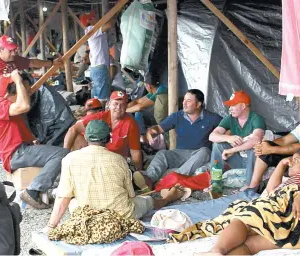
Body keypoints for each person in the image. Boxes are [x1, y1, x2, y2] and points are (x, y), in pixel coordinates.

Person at [42, 120, 185, 233]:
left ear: (85, 136)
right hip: (121, 216)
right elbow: (131, 195)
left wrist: (51, 226)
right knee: (147, 200)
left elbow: (63, 197)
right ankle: (168, 198)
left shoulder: (69, 159)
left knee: (73, 203)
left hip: (88, 216)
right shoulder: (119, 160)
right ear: (109, 139)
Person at [190, 148, 300, 255]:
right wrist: (281, 164)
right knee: (249, 246)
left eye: (296, 160)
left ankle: (215, 251)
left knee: (243, 219)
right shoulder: (294, 179)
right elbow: (271, 190)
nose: (291, 162)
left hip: (295, 214)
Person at [0, 71, 69, 209]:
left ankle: (49, 188)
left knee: (57, 151)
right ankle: (33, 190)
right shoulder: (0, 105)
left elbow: (20, 130)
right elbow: (24, 105)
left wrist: (33, 140)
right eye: (24, 91)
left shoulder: (11, 109)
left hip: (20, 150)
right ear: (11, 91)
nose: (27, 94)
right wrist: (18, 81)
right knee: (61, 154)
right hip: (15, 154)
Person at [240, 96, 300, 192]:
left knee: (269, 153)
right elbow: (285, 140)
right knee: (264, 148)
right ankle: (253, 185)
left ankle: (255, 188)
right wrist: (265, 146)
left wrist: (270, 149)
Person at [133, 89, 222, 191]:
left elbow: (228, 126)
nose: (184, 103)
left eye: (188, 101)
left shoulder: (211, 117)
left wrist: (224, 136)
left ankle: (174, 179)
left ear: (198, 104)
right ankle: (149, 180)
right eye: (184, 100)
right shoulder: (178, 116)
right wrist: (151, 132)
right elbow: (158, 128)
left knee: (205, 151)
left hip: (199, 155)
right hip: (180, 154)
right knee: (162, 154)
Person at [0, 35, 62, 110]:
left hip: (18, 104)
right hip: (3, 107)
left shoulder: (14, 59)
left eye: (14, 50)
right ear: (0, 50)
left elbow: (32, 62)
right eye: (10, 51)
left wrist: (51, 63)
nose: (14, 53)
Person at [64, 91, 142, 170]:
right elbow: (73, 129)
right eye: (115, 104)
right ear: (109, 104)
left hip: (115, 161)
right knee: (76, 137)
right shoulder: (101, 116)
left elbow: (135, 152)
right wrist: (64, 157)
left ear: (126, 106)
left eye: (122, 104)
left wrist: (138, 171)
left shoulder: (131, 124)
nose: (118, 107)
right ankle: (74, 168)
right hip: (95, 156)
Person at [209, 91, 266, 184]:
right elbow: (212, 136)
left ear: (243, 106)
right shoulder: (230, 118)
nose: (230, 109)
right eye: (229, 106)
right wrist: (228, 138)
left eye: (233, 105)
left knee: (254, 149)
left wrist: (232, 150)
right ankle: (216, 183)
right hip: (238, 160)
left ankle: (250, 186)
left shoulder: (256, 118)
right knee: (217, 145)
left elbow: (256, 140)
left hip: (254, 163)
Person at [81, 13, 115, 102]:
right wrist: (115, 13)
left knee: (96, 99)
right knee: (103, 100)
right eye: (94, 17)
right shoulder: (91, 29)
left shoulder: (91, 31)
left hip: (97, 68)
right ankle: (102, 115)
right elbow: (109, 25)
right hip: (100, 68)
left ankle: (97, 114)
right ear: (89, 20)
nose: (97, 19)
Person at [126, 73, 168, 142]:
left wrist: (124, 111)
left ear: (148, 86)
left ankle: (143, 139)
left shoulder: (161, 90)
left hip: (163, 119)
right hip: (158, 116)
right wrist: (125, 107)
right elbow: (138, 101)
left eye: (145, 84)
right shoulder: (155, 90)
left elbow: (140, 107)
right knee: (135, 113)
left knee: (138, 114)